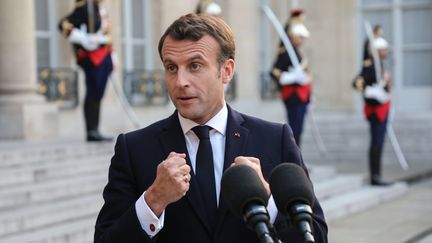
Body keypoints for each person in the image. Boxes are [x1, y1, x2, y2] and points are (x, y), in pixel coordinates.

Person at [94, 14, 327, 243]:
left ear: (226, 71)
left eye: (195, 66)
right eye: (171, 68)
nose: (180, 82)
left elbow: (317, 236)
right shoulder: (134, 148)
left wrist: (268, 199)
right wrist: (153, 200)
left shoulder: (275, 139)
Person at [58, 0, 113, 142]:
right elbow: (63, 25)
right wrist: (83, 39)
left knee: (98, 93)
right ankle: (91, 130)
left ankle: (95, 128)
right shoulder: (84, 8)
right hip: (92, 58)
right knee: (93, 92)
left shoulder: (98, 10)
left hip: (103, 56)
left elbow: (107, 34)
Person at [352, 25, 393, 186]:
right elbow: (357, 84)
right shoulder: (370, 67)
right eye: (382, 50)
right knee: (376, 143)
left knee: (379, 143)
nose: (385, 52)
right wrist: (370, 91)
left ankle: (377, 174)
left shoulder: (381, 66)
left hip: (383, 108)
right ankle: (375, 176)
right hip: (376, 110)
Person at [270, 9, 312, 147]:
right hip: (292, 95)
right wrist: (290, 77)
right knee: (294, 129)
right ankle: (294, 157)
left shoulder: (298, 53)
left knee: (299, 129)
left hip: (302, 96)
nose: (302, 40)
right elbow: (274, 71)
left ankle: (297, 156)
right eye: (300, 36)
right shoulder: (286, 53)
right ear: (293, 36)